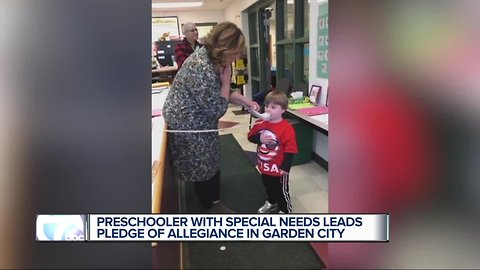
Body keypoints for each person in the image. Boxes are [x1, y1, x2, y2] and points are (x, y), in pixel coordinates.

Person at [163, 22, 260, 214]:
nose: (236, 57)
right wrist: (226, 80)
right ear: (224, 48)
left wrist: (245, 100)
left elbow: (221, 92)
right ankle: (209, 206)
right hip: (188, 122)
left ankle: (213, 199)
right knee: (202, 162)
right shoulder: (200, 66)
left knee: (211, 157)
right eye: (235, 53)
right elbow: (217, 107)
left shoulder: (212, 59)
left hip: (199, 118)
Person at [247, 90, 298, 214]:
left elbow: (290, 149)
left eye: (273, 107)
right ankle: (271, 201)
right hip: (264, 166)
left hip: (279, 168)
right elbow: (250, 137)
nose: (268, 109)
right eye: (267, 106)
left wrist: (285, 167)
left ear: (283, 110)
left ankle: (286, 210)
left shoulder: (287, 128)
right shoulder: (260, 124)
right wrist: (259, 138)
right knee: (268, 186)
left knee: (281, 190)